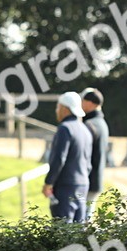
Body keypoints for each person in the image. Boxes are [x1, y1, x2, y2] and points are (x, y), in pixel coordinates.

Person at [42, 91, 92, 223]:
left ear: (65, 109)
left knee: (63, 229)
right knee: (79, 228)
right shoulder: (85, 130)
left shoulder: (65, 128)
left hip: (66, 186)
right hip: (83, 185)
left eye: (58, 107)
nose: (57, 111)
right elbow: (88, 163)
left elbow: (59, 159)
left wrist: (48, 183)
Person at [81, 87, 109, 221]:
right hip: (96, 178)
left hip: (88, 179)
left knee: (83, 219)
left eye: (83, 100)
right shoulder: (101, 123)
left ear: (90, 103)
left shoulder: (90, 124)